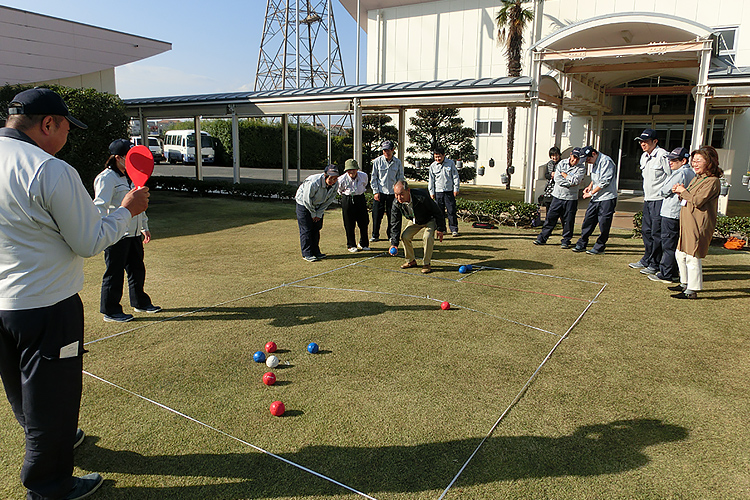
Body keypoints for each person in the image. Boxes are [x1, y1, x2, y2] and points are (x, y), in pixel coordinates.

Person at [0, 88, 149, 499]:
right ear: (48, 124)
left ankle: (50, 439)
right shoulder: (50, 169)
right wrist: (127, 211)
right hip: (46, 304)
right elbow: (88, 240)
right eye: (66, 126)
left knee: (20, 387)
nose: (68, 135)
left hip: (4, 304)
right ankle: (48, 485)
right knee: (54, 396)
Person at [94, 139, 161, 322]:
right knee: (114, 273)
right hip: (116, 234)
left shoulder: (131, 176)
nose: (132, 161)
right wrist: (102, 229)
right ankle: (110, 310)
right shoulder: (106, 178)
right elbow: (100, 206)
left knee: (137, 269)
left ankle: (140, 302)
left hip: (133, 234)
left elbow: (139, 205)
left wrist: (144, 227)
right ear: (117, 158)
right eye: (128, 157)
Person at [669, 146, 723, 299]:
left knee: (693, 257)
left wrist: (682, 191)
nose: (695, 164)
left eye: (699, 161)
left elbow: (698, 201)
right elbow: (689, 196)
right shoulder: (697, 178)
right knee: (680, 254)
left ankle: (692, 290)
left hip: (699, 224)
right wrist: (680, 191)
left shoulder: (712, 181)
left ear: (710, 162)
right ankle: (684, 283)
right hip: (687, 222)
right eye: (693, 161)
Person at [648, 147, 695, 284]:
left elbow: (664, 190)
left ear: (683, 160)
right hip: (678, 212)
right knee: (674, 244)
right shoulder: (690, 172)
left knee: (668, 244)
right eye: (670, 159)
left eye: (674, 160)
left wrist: (666, 190)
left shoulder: (680, 173)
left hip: (671, 212)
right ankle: (673, 272)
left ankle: (666, 273)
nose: (670, 162)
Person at [629, 128, 671, 274]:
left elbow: (670, 176)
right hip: (648, 198)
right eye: (641, 141)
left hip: (659, 200)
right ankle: (647, 258)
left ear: (655, 141)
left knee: (656, 232)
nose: (643, 144)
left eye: (646, 141)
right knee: (646, 231)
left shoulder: (663, 155)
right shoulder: (644, 156)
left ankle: (655, 263)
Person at [388, 179, 446, 274]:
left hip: (429, 219)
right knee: (405, 236)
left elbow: (437, 211)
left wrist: (440, 228)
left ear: (408, 190)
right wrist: (394, 243)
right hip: (415, 220)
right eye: (396, 194)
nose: (399, 197)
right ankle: (411, 261)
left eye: (401, 194)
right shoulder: (396, 203)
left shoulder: (421, 196)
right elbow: (395, 223)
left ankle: (426, 264)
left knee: (427, 237)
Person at [533, 147, 586, 248]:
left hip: (571, 198)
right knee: (550, 218)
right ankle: (542, 238)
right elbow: (557, 179)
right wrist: (569, 182)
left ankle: (566, 240)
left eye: (577, 158)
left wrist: (565, 175)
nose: (575, 160)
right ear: (570, 155)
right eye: (574, 157)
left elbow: (576, 181)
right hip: (557, 196)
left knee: (568, 220)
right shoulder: (562, 164)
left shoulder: (581, 168)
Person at [572, 146, 618, 255]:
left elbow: (604, 181)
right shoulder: (595, 162)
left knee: (604, 224)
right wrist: (590, 186)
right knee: (588, 220)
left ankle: (599, 247)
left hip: (607, 198)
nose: (587, 162)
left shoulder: (606, 161)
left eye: (588, 159)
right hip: (596, 197)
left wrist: (590, 193)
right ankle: (582, 243)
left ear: (593, 153)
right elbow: (596, 178)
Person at [295, 165, 340, 262]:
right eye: (331, 178)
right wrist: (313, 214)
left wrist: (319, 213)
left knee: (316, 228)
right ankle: (307, 253)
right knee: (306, 229)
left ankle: (316, 251)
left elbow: (329, 200)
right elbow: (307, 199)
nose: (333, 181)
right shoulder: (313, 182)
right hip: (304, 204)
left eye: (335, 178)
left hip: (318, 206)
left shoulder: (336, 184)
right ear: (325, 175)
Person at [370, 140, 404, 242]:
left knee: (392, 216)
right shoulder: (377, 161)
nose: (386, 152)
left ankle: (391, 235)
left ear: (393, 150)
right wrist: (375, 192)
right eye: (384, 150)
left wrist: (399, 191)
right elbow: (374, 178)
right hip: (380, 192)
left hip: (393, 193)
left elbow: (400, 178)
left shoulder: (397, 162)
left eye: (388, 150)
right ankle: (375, 235)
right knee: (376, 215)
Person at [337, 158, 370, 253]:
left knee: (364, 222)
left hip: (360, 198)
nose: (352, 171)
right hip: (347, 199)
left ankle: (364, 243)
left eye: (354, 169)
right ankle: (351, 244)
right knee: (349, 223)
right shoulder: (341, 179)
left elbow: (364, 185)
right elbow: (339, 190)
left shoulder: (363, 176)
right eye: (349, 170)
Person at [427, 145, 460, 237]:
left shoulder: (450, 163)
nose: (438, 158)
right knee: (439, 212)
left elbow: (455, 176)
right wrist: (431, 192)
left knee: (451, 210)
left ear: (444, 155)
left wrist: (456, 188)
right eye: (436, 156)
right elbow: (431, 180)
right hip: (438, 192)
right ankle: (442, 229)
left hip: (449, 191)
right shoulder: (433, 166)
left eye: (439, 156)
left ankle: (454, 229)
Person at [539, 146, 561, 216]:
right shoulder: (549, 163)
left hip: (558, 188)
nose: (554, 157)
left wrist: (556, 175)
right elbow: (546, 175)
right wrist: (550, 175)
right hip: (549, 188)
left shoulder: (562, 163)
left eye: (556, 155)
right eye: (552, 156)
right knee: (548, 204)